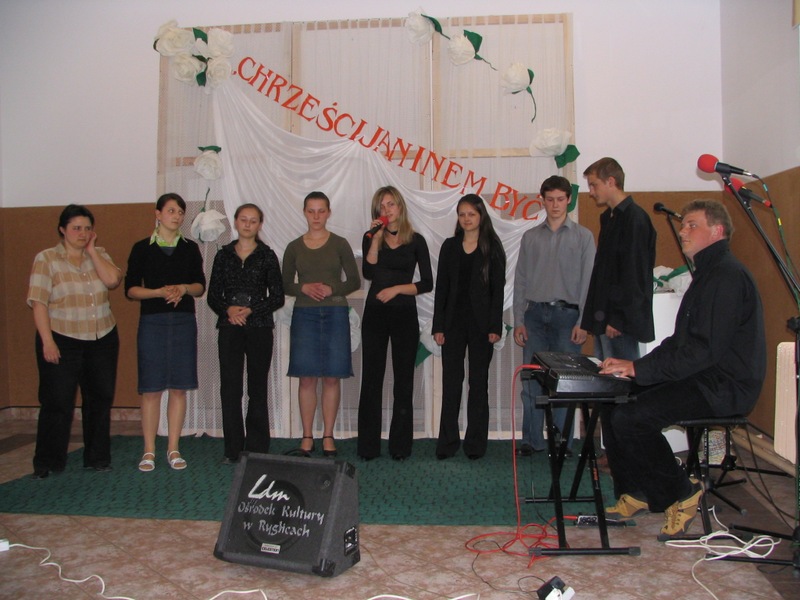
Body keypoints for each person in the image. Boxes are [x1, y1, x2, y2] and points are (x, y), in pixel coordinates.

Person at [599, 200, 765, 540]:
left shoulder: (727, 276)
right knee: (613, 398)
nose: (683, 231)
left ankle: (682, 492)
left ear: (717, 231)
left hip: (723, 386)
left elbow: (704, 350)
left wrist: (640, 369)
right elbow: (679, 343)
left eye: (692, 225)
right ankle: (640, 490)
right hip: (702, 376)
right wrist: (634, 368)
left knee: (632, 418)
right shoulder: (707, 274)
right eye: (683, 224)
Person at [27, 205, 122, 479]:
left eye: (87, 228)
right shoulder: (47, 259)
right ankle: (47, 461)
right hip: (61, 337)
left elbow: (113, 280)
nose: (83, 233)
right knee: (57, 401)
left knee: (100, 399)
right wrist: (47, 342)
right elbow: (38, 303)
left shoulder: (100, 254)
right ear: (62, 230)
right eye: (76, 228)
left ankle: (97, 457)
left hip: (102, 337)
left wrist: (92, 251)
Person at [513, 176, 596, 456]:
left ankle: (562, 442)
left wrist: (583, 322)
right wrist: (519, 320)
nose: (555, 205)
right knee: (532, 380)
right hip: (535, 315)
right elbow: (520, 280)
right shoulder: (531, 237)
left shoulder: (583, 237)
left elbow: (588, 283)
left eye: (561, 199)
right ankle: (531, 440)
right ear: (542, 200)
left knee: (566, 381)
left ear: (569, 200)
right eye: (550, 199)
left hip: (567, 317)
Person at [125, 193, 206, 472]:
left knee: (179, 388)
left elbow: (200, 286)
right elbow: (131, 289)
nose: (177, 216)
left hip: (183, 321)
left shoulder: (190, 248)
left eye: (181, 212)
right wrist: (158, 292)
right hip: (152, 322)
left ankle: (174, 448)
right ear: (157, 214)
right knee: (151, 389)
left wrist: (183, 288)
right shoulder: (141, 248)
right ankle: (149, 450)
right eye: (171, 211)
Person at [282, 192, 361, 457]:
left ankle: (328, 435)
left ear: (328, 213)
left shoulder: (340, 244)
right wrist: (303, 287)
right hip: (304, 315)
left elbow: (354, 281)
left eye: (321, 211)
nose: (316, 216)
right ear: (304, 212)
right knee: (306, 378)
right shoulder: (294, 247)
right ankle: (307, 436)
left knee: (331, 377)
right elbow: (284, 284)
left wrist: (331, 288)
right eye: (311, 211)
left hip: (335, 313)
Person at [358, 185, 433, 461]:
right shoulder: (370, 237)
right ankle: (368, 446)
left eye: (391, 204)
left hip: (404, 314)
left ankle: (400, 446)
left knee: (403, 380)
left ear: (400, 207)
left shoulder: (416, 240)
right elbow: (368, 272)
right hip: (375, 314)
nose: (386, 210)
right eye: (381, 206)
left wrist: (398, 289)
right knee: (372, 379)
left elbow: (427, 283)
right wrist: (375, 240)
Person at [208, 203, 284, 464]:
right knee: (230, 388)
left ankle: (257, 449)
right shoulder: (223, 255)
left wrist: (251, 310)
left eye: (253, 220)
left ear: (260, 224)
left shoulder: (267, 256)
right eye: (243, 219)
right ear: (235, 222)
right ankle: (232, 450)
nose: (248, 224)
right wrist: (228, 309)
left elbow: (277, 297)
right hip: (229, 328)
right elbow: (213, 295)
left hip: (259, 327)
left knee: (257, 388)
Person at [432, 194, 506, 460]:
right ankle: (448, 442)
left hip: (482, 326)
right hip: (452, 324)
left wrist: (495, 326)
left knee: (478, 383)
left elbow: (498, 291)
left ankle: (475, 444)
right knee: (451, 383)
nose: (466, 219)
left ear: (481, 216)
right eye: (462, 214)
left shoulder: (492, 247)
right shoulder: (449, 246)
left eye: (471, 214)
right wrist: (438, 326)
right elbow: (442, 288)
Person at [581, 157, 656, 361]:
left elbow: (634, 274)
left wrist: (618, 319)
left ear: (611, 182)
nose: (591, 192)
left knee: (621, 375)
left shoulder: (635, 219)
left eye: (594, 185)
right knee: (604, 374)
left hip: (619, 320)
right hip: (604, 315)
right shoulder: (608, 218)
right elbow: (603, 272)